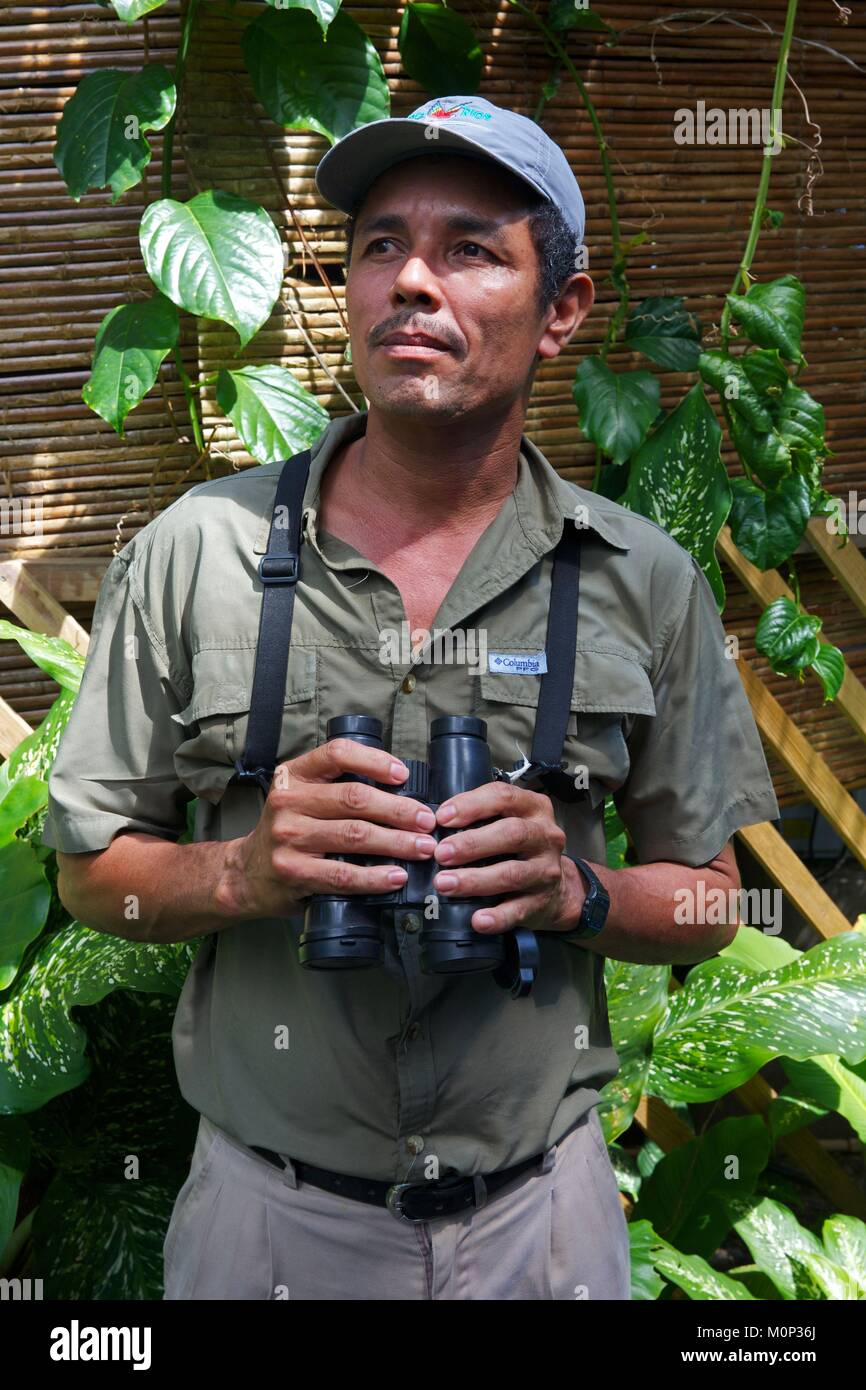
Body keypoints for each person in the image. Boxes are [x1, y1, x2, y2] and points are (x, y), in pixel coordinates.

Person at [43, 95, 780, 1301]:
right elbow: (90, 881)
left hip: (541, 1229)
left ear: (564, 312)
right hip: (267, 1228)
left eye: (471, 249)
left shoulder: (642, 578)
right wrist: (243, 872)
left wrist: (573, 891)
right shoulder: (197, 551)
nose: (409, 283)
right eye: (379, 245)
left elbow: (708, 902)